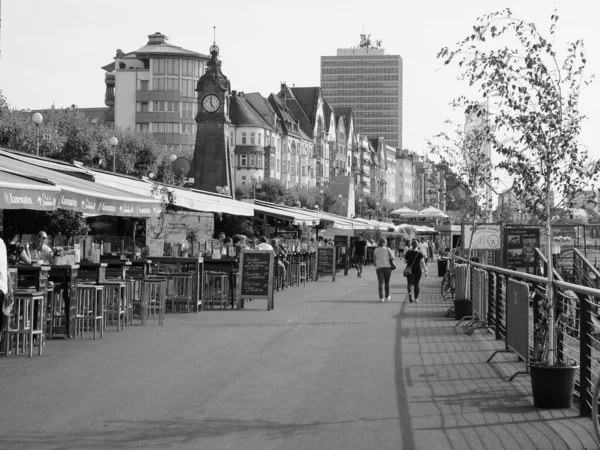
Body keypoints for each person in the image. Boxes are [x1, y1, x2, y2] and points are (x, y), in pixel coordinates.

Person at [373, 238, 395, 302]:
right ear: (385, 243)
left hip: (379, 268)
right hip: (387, 267)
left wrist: (377, 264)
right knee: (387, 283)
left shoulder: (375, 250)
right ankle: (387, 296)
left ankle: (381, 297)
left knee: (380, 283)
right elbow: (393, 258)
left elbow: (374, 261)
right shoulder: (388, 249)